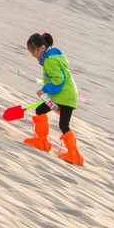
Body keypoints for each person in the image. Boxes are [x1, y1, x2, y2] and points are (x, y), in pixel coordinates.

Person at [24, 32, 83, 165]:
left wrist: (44, 90)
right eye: (31, 52)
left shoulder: (49, 61)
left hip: (64, 95)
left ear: (42, 48)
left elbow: (58, 79)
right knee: (63, 124)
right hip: (68, 95)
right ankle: (74, 155)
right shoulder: (54, 57)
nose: (33, 55)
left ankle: (42, 142)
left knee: (40, 111)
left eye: (34, 52)